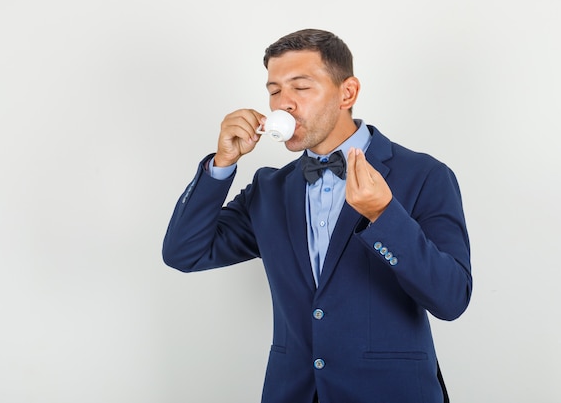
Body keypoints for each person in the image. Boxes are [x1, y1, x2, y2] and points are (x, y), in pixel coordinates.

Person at [162, 28, 472, 403]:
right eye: (274, 89)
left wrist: (384, 215)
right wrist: (222, 165)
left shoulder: (424, 175)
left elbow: (452, 299)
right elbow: (184, 253)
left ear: (348, 93)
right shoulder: (269, 190)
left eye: (300, 87)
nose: (284, 103)